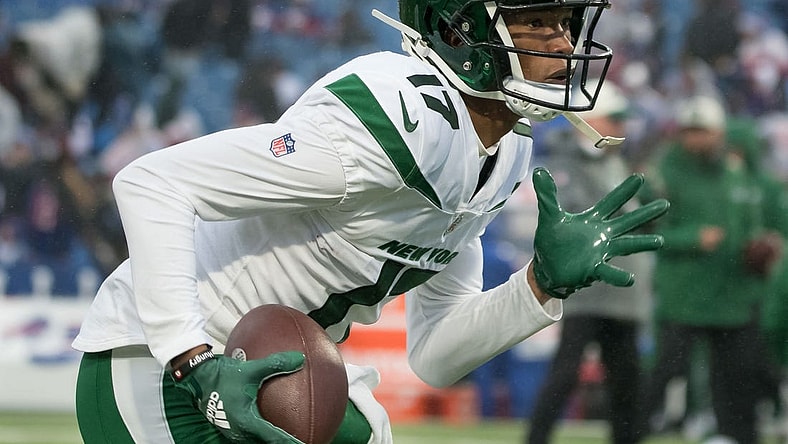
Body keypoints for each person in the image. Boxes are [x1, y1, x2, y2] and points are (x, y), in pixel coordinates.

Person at [71, 1, 669, 443]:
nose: (564, 47)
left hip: (282, 372)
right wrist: (191, 356)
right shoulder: (400, 115)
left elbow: (436, 354)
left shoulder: (505, 154)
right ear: (462, 30)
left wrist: (538, 286)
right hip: (166, 368)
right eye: (538, 23)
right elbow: (152, 181)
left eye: (564, 25)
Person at [640, 95, 783, 444]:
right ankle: (630, 434)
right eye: (689, 130)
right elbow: (644, 233)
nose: (696, 138)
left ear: (719, 132)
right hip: (684, 293)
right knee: (666, 371)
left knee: (737, 377)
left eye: (702, 131)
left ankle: (741, 437)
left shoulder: (738, 173)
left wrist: (761, 245)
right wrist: (691, 237)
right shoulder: (662, 174)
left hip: (733, 293)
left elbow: (753, 226)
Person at [525, 79, 653, 444]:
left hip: (623, 293)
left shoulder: (616, 162)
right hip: (585, 288)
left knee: (626, 381)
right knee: (565, 374)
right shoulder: (565, 160)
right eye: (613, 119)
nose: (621, 127)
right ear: (591, 120)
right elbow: (573, 216)